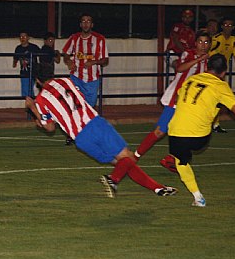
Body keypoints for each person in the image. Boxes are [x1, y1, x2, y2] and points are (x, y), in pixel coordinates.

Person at [25, 78, 178, 198]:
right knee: (128, 158)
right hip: (94, 124)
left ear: (37, 81)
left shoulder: (40, 100)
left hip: (80, 139)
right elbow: (80, 97)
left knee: (122, 163)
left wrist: (33, 108)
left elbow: (50, 128)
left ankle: (158, 189)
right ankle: (114, 179)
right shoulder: (66, 80)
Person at [166, 54, 235, 207]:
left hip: (175, 132)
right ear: (223, 73)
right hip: (199, 137)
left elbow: (178, 98)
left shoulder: (191, 79)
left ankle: (198, 197)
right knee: (215, 105)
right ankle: (197, 198)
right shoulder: (220, 86)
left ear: (207, 67)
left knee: (181, 162)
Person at [134, 31, 211, 168]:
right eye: (200, 41)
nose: (203, 45)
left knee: (186, 132)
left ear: (210, 44)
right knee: (160, 131)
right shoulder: (189, 54)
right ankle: (135, 156)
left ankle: (172, 160)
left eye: (206, 42)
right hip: (175, 99)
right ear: (195, 43)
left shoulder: (210, 62)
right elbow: (180, 68)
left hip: (191, 104)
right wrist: (199, 59)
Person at [61, 14, 108, 108]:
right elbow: (65, 53)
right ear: (80, 24)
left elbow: (105, 60)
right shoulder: (74, 38)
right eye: (83, 21)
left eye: (88, 21)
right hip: (76, 77)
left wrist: (94, 62)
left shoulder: (99, 39)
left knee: (90, 107)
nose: (86, 24)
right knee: (75, 105)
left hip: (92, 79)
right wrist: (69, 62)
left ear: (92, 25)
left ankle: (88, 121)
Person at [209, 18, 235, 133]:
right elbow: (208, 53)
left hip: (221, 73)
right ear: (222, 26)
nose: (228, 27)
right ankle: (211, 123)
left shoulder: (234, 40)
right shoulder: (217, 39)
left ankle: (215, 124)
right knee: (212, 99)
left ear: (233, 28)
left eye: (230, 25)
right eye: (225, 25)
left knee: (218, 100)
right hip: (212, 73)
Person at [12, 32, 40, 97]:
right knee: (26, 90)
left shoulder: (34, 47)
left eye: (24, 37)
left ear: (28, 38)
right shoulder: (18, 48)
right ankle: (31, 104)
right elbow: (15, 58)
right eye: (21, 37)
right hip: (24, 72)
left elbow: (41, 55)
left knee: (29, 90)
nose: (22, 39)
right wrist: (14, 63)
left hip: (33, 72)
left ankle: (31, 104)